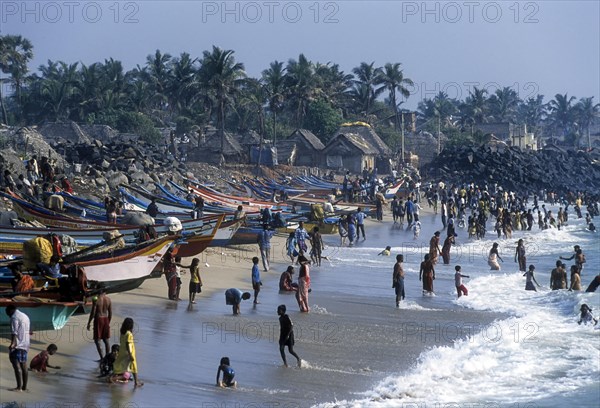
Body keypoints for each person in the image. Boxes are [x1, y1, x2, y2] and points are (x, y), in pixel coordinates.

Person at [111, 317, 143, 387]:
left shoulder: (122, 332)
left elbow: (122, 342)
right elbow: (128, 344)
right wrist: (130, 354)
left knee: (120, 365)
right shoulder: (129, 334)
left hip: (122, 350)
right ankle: (136, 382)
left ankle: (113, 376)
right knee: (134, 366)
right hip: (128, 352)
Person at [6, 305, 30, 392]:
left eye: (7, 312)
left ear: (10, 310)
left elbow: (14, 332)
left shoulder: (14, 317)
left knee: (16, 365)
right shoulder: (25, 316)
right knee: (24, 365)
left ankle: (19, 387)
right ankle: (24, 387)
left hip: (18, 344)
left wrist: (12, 343)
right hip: (25, 344)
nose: (7, 315)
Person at [87, 288, 112, 360]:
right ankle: (107, 358)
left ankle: (102, 358)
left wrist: (89, 322)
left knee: (97, 340)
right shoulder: (108, 299)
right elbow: (110, 313)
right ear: (104, 292)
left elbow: (93, 312)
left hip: (98, 319)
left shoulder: (96, 299)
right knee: (106, 340)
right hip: (106, 319)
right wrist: (108, 322)